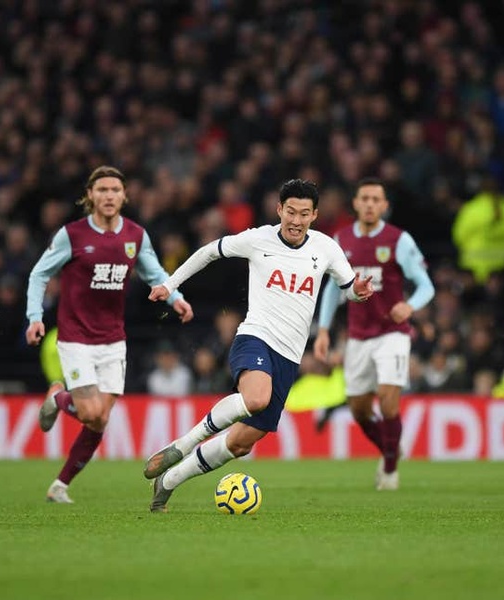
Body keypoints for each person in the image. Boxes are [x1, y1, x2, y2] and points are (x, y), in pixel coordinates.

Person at [143, 179, 373, 512]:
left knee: (239, 445)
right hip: (255, 337)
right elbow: (209, 252)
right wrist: (169, 285)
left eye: (304, 214)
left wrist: (359, 292)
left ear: (315, 215)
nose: (295, 220)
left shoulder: (326, 248)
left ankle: (168, 481)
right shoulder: (257, 239)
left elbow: (348, 287)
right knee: (255, 398)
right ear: (279, 209)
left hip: (289, 358)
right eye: (290, 212)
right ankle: (184, 443)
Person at [26, 165, 193, 504]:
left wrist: (176, 297)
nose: (108, 196)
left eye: (115, 190)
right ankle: (59, 397)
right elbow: (39, 274)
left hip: (113, 339)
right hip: (75, 338)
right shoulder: (71, 235)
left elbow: (154, 273)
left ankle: (60, 485)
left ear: (124, 196)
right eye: (101, 190)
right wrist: (34, 317)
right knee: (89, 412)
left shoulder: (135, 236)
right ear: (90, 195)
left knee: (100, 419)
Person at [314, 177, 435, 490]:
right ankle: (391, 447)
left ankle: (391, 470)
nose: (369, 204)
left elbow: (426, 286)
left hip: (392, 332)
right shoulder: (341, 240)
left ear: (384, 206)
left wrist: (409, 307)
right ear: (355, 203)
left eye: (375, 199)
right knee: (359, 409)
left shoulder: (399, 240)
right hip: (357, 337)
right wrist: (324, 329)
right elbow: (332, 289)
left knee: (388, 399)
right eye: (364, 198)